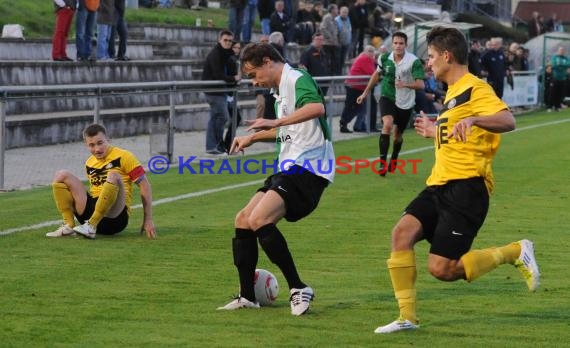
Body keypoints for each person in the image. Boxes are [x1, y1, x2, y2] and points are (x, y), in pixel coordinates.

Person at [374, 26, 540, 334]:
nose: (429, 63)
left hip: (467, 188)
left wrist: (475, 118)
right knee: (401, 234)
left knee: (442, 269)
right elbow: (460, 132)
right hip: (439, 183)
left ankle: (515, 252)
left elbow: (508, 120)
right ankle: (407, 317)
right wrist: (436, 128)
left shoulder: (475, 88)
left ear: (447, 56)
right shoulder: (451, 94)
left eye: (433, 57)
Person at [217, 42, 335, 316]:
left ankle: (298, 287)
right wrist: (253, 137)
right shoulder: (280, 89)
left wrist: (275, 122)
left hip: (310, 168)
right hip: (290, 166)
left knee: (260, 219)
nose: (254, 81)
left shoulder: (296, 78)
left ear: (268, 61)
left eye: (254, 73)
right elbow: (289, 130)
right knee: (243, 219)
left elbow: (316, 108)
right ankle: (248, 296)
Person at [47, 123, 156, 240]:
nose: (97, 149)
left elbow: (145, 185)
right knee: (61, 174)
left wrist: (148, 219)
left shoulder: (125, 156)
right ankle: (69, 225)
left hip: (115, 218)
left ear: (108, 140)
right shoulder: (89, 162)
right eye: (92, 145)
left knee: (113, 175)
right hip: (91, 212)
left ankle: (91, 226)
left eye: (100, 143)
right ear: (86, 145)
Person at [357, 32, 425, 176]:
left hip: (405, 102)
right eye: (395, 43)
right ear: (392, 44)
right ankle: (382, 164)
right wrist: (365, 93)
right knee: (387, 124)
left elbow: (420, 84)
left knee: (397, 136)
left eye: (401, 43)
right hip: (387, 96)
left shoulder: (414, 61)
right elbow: (376, 74)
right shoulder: (384, 58)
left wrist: (405, 84)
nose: (398, 46)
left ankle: (394, 158)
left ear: (406, 45)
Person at [201, 30, 241, 154]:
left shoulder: (227, 53)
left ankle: (219, 146)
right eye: (225, 40)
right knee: (222, 116)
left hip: (223, 91)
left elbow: (232, 68)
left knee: (229, 117)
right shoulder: (216, 54)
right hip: (213, 91)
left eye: (230, 41)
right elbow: (218, 74)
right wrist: (234, 78)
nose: (228, 43)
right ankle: (214, 146)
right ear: (219, 40)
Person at [339, 45, 376, 133]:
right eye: (369, 51)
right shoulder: (365, 59)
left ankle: (357, 125)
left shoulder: (365, 58)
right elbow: (372, 72)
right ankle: (344, 123)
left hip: (357, 86)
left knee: (360, 107)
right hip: (354, 86)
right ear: (365, 51)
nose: (371, 53)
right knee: (354, 107)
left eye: (372, 51)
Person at [223, 41, 243, 152]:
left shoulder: (236, 60)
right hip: (227, 94)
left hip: (231, 94)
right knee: (234, 118)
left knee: (235, 118)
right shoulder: (230, 59)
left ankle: (228, 144)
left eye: (239, 48)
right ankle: (226, 144)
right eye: (235, 47)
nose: (237, 50)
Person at [551, 46, 570, 111]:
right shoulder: (555, 57)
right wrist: (563, 66)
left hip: (563, 78)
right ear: (558, 51)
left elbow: (568, 64)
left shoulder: (566, 58)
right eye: (560, 50)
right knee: (554, 92)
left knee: (561, 93)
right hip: (556, 78)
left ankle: (558, 105)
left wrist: (560, 64)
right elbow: (554, 65)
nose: (562, 51)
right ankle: (554, 106)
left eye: (563, 50)